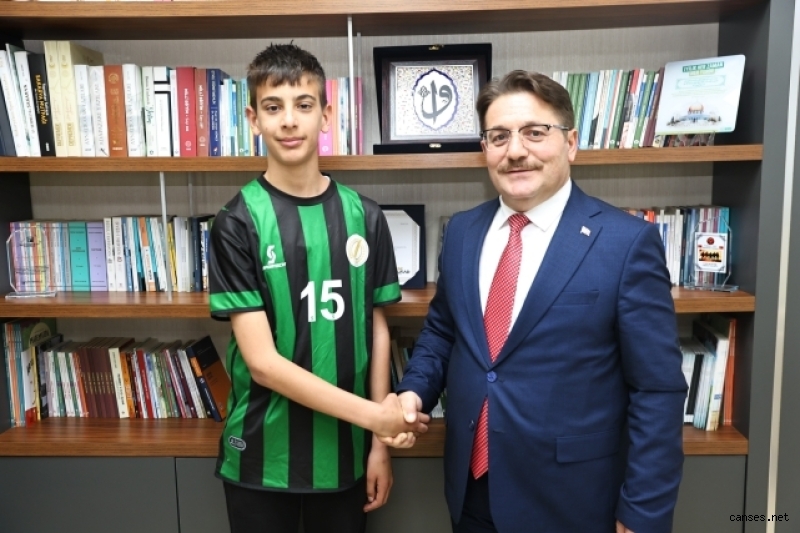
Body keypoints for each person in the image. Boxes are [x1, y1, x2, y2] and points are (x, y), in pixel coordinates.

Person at [390, 70, 687, 533]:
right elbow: (443, 332)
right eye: (499, 136)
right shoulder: (463, 232)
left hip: (573, 500)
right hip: (471, 490)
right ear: (485, 149)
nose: (515, 151)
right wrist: (413, 391)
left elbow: (657, 390)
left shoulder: (627, 243)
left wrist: (643, 513)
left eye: (534, 132)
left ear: (571, 143)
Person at [208, 43, 428, 533]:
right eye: (273, 107)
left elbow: (376, 330)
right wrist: (378, 418)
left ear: (326, 116)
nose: (289, 120)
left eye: (303, 105)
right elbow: (263, 365)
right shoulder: (236, 222)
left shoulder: (365, 216)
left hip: (346, 453)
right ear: (253, 119)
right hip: (262, 457)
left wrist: (378, 444)